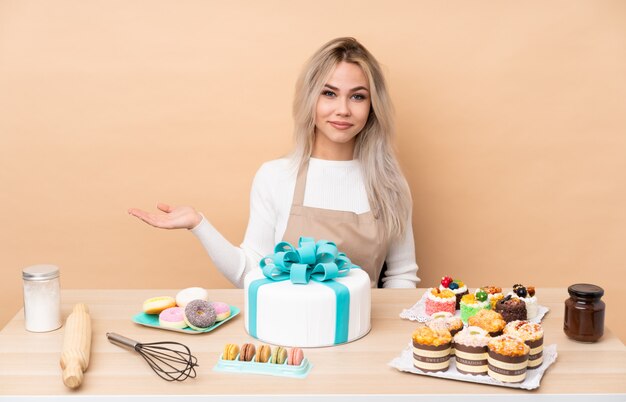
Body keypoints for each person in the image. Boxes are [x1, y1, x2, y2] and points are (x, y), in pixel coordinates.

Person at [128, 37, 419, 289]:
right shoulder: (276, 176)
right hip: (288, 336)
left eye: (357, 96)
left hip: (363, 333)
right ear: (310, 99)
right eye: (329, 93)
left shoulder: (389, 183)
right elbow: (252, 273)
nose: (342, 109)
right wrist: (198, 224)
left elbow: (401, 276)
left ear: (372, 107)